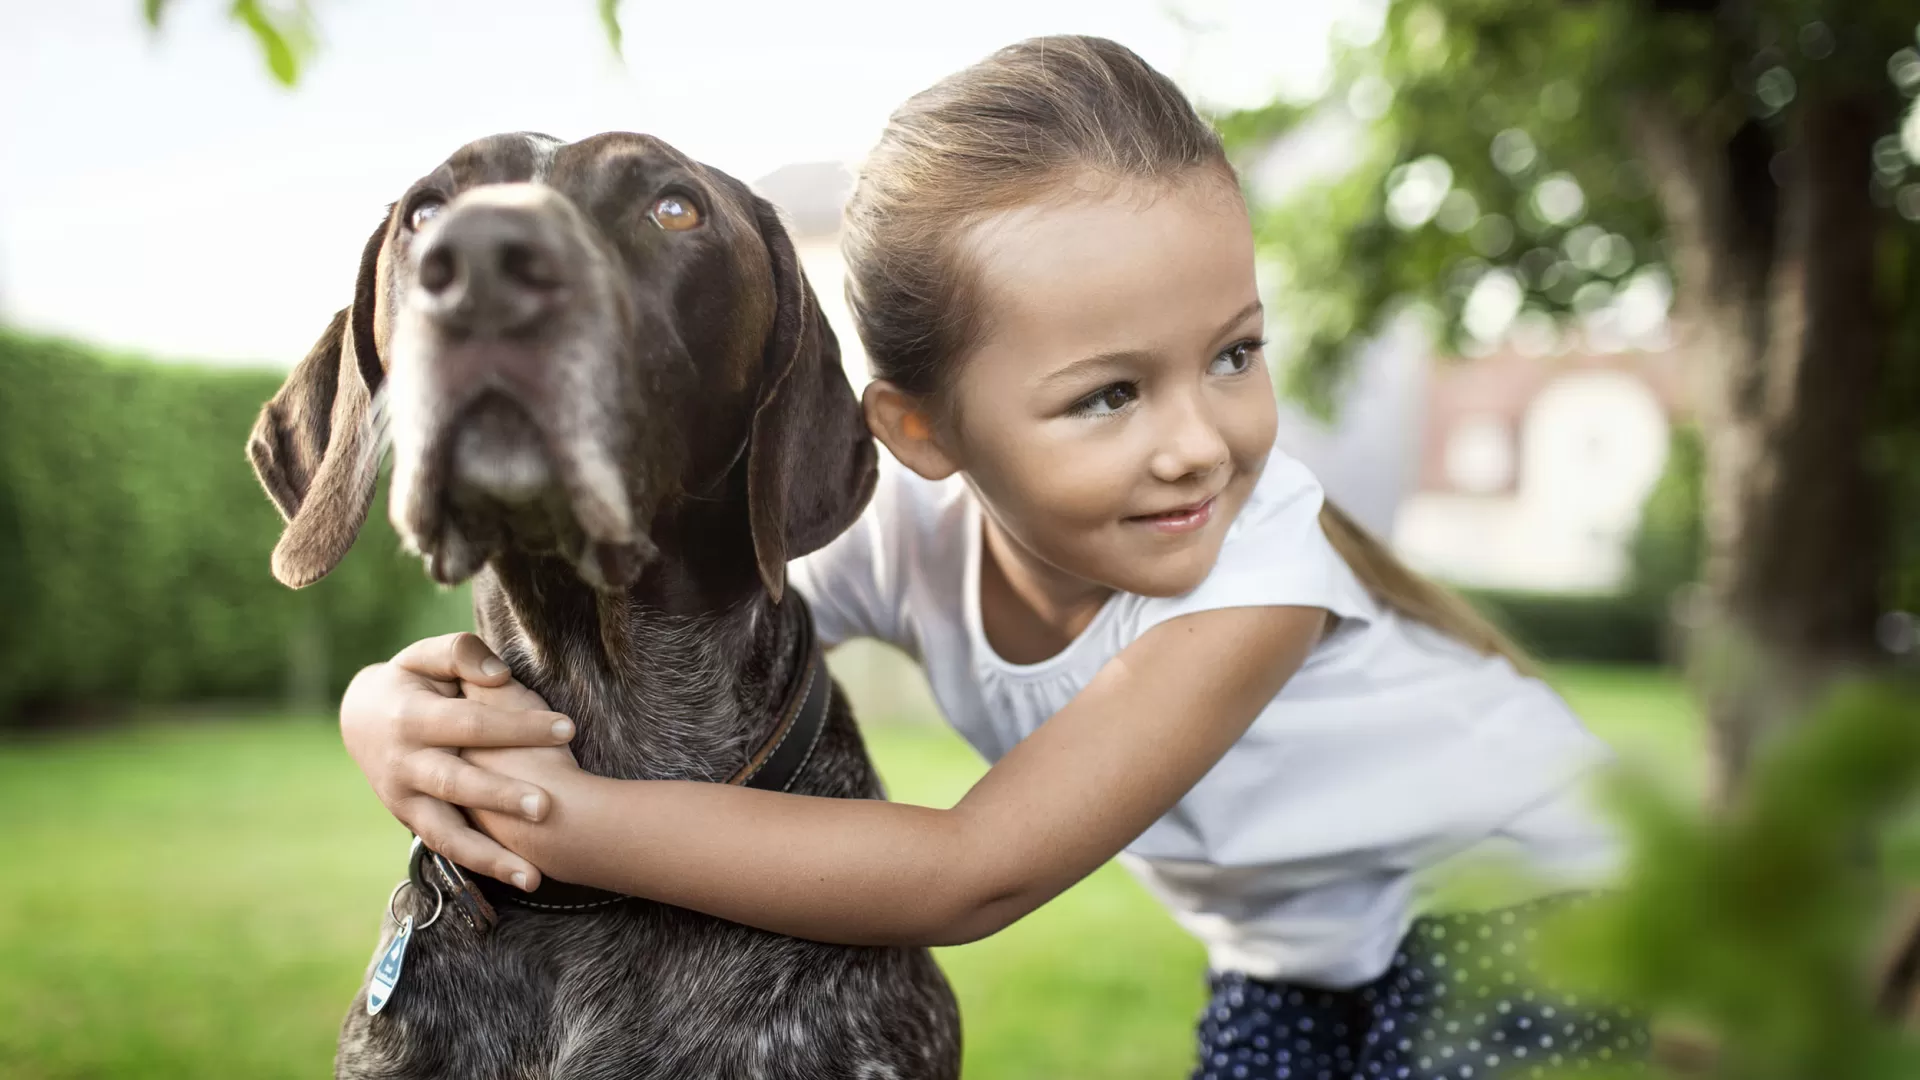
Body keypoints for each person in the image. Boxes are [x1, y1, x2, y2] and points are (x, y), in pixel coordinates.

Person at [339, 35, 1647, 1079]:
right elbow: (705, 596)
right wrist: (381, 713)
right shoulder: (900, 535)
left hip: (1551, 921)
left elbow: (971, 873)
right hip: (1294, 962)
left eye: (1234, 354)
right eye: (1108, 396)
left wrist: (538, 814)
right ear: (922, 433)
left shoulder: (1261, 574)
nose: (1198, 443)